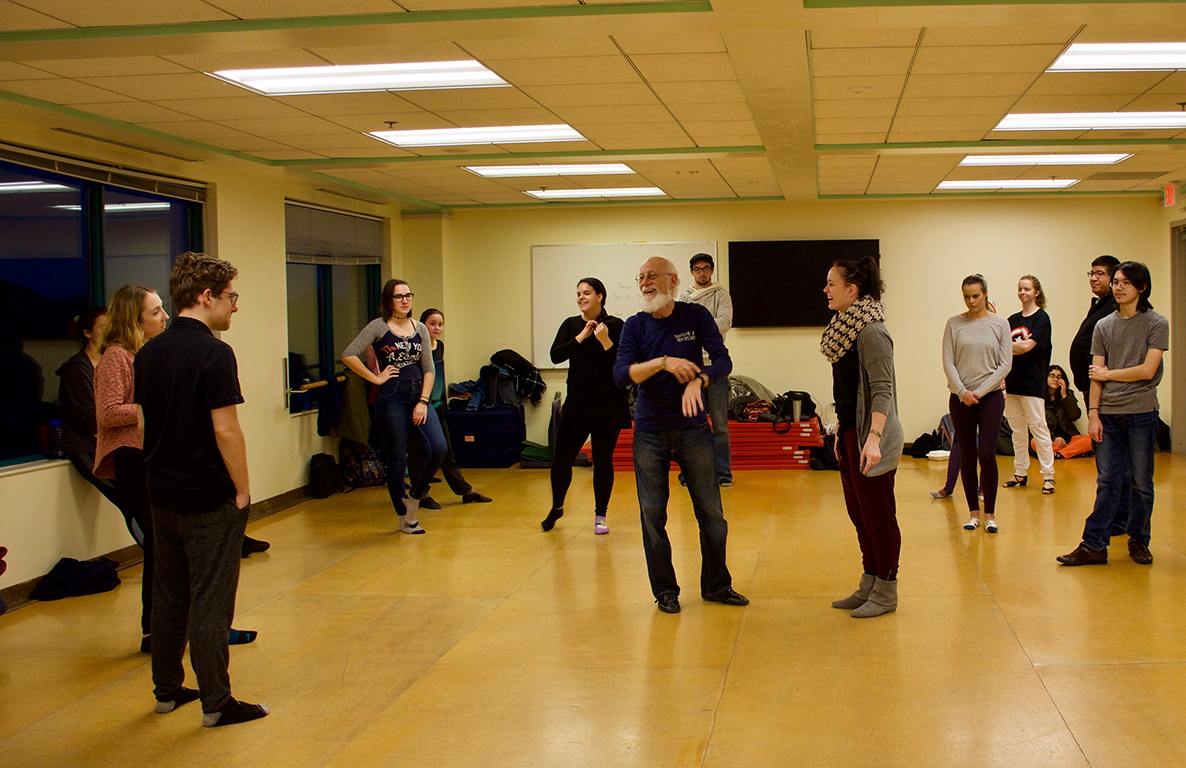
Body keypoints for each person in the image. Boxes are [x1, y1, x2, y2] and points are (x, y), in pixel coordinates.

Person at [135, 252, 268, 726]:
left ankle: (167, 690)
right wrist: (243, 489)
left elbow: (149, 422)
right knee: (212, 598)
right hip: (207, 496)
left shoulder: (149, 353)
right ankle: (217, 701)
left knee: (170, 592)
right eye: (231, 297)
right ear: (206, 296)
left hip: (162, 493)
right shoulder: (214, 353)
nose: (235, 306)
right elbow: (226, 429)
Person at [613, 257, 748, 614]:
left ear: (673, 280)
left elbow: (722, 360)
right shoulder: (634, 326)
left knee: (712, 515)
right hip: (649, 433)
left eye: (652, 276)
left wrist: (699, 381)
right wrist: (663, 362)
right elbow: (622, 375)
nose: (645, 283)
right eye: (640, 277)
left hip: (692, 431)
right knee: (653, 516)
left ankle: (717, 586)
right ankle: (665, 591)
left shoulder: (695, 316)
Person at [1058, 261, 1167, 567]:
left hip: (1142, 413)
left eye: (1125, 283)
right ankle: (1094, 545)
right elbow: (1095, 373)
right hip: (1107, 414)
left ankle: (1138, 541)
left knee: (1142, 484)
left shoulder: (1156, 324)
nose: (1118, 288)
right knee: (1107, 481)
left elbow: (1148, 370)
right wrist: (1093, 414)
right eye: (1116, 282)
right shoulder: (1103, 325)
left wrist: (1110, 375)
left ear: (1141, 288)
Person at [821, 257, 903, 618]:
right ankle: (870, 581)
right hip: (853, 432)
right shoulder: (846, 328)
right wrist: (843, 429)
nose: (825, 290)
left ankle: (887, 589)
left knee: (879, 516)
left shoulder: (872, 332)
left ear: (852, 290)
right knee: (861, 514)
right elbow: (850, 389)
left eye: (831, 283)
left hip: (874, 437)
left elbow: (882, 391)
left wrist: (872, 438)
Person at [94, 286, 168, 653]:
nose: (164, 317)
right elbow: (108, 413)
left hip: (147, 454)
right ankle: (154, 630)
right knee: (159, 540)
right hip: (129, 457)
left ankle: (160, 628)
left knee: (163, 541)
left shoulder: (144, 354)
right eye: (156, 312)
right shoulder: (115, 358)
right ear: (134, 318)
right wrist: (150, 407)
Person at [341, 280, 446, 534]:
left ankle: (415, 496)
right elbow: (349, 354)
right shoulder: (378, 327)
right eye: (399, 296)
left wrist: (423, 401)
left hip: (418, 394)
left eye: (408, 295)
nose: (405, 300)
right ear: (388, 301)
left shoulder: (419, 328)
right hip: (391, 397)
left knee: (438, 448)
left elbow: (429, 368)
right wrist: (375, 378)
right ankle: (406, 518)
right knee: (397, 459)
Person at [541, 278, 629, 534]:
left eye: (586, 293)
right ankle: (557, 507)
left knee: (603, 462)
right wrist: (581, 337)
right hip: (577, 405)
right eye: (578, 293)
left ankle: (600, 516)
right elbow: (556, 356)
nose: (581, 297)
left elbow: (623, 364)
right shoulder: (571, 325)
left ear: (600, 296)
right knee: (561, 460)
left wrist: (605, 341)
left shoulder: (617, 326)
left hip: (609, 407)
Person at [942, 275, 1012, 533]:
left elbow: (1005, 365)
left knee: (987, 454)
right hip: (961, 398)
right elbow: (948, 361)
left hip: (990, 397)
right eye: (966, 296)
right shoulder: (954, 324)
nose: (971, 301)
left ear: (985, 295)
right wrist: (963, 392)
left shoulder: (1000, 324)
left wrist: (980, 392)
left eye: (975, 296)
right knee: (968, 454)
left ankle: (990, 514)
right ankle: (973, 513)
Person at [57, 307, 137, 528]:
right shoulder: (77, 369)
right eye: (103, 326)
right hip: (89, 448)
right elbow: (92, 419)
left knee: (143, 501)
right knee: (130, 502)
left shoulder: (115, 361)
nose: (110, 330)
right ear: (87, 333)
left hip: (115, 447)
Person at [1068, 255, 1130, 533]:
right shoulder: (1099, 305)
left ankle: (1119, 517)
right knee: (1105, 460)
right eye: (1091, 273)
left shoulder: (1116, 308)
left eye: (1101, 274)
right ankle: (1113, 515)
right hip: (1092, 390)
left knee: (1115, 462)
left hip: (1108, 392)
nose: (1094, 278)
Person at [409, 308, 492, 509]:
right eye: (432, 323)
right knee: (419, 452)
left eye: (440, 324)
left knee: (446, 452)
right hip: (422, 407)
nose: (437, 328)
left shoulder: (440, 346)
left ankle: (465, 491)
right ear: (422, 325)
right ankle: (421, 494)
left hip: (439, 407)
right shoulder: (417, 347)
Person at [677, 253, 734, 487]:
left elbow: (725, 322)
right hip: (690, 369)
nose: (702, 273)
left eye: (706, 269)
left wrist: (698, 327)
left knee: (719, 424)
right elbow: (678, 327)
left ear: (712, 271)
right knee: (689, 424)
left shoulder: (721, 295)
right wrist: (704, 327)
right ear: (691, 272)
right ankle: (690, 474)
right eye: (697, 269)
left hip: (715, 368)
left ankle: (722, 474)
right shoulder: (684, 297)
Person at [1002, 275, 1056, 494]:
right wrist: (1008, 346)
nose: (1023, 292)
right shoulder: (1012, 319)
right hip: (1012, 383)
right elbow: (1004, 347)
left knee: (1038, 428)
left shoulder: (1042, 318)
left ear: (1036, 292)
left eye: (1027, 289)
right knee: (1017, 431)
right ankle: (1020, 472)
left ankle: (1049, 476)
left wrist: (1006, 345)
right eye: (1020, 289)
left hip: (1033, 383)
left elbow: (1026, 347)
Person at [1040, 365, 1092, 460]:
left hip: (1068, 440)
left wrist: (1065, 396)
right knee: (1035, 442)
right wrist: (1054, 438)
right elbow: (1038, 423)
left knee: (1090, 440)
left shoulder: (1068, 395)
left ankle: (1060, 454)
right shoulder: (1039, 398)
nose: (1055, 379)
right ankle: (1070, 452)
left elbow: (1075, 416)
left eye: (1059, 377)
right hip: (1049, 439)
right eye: (1052, 376)